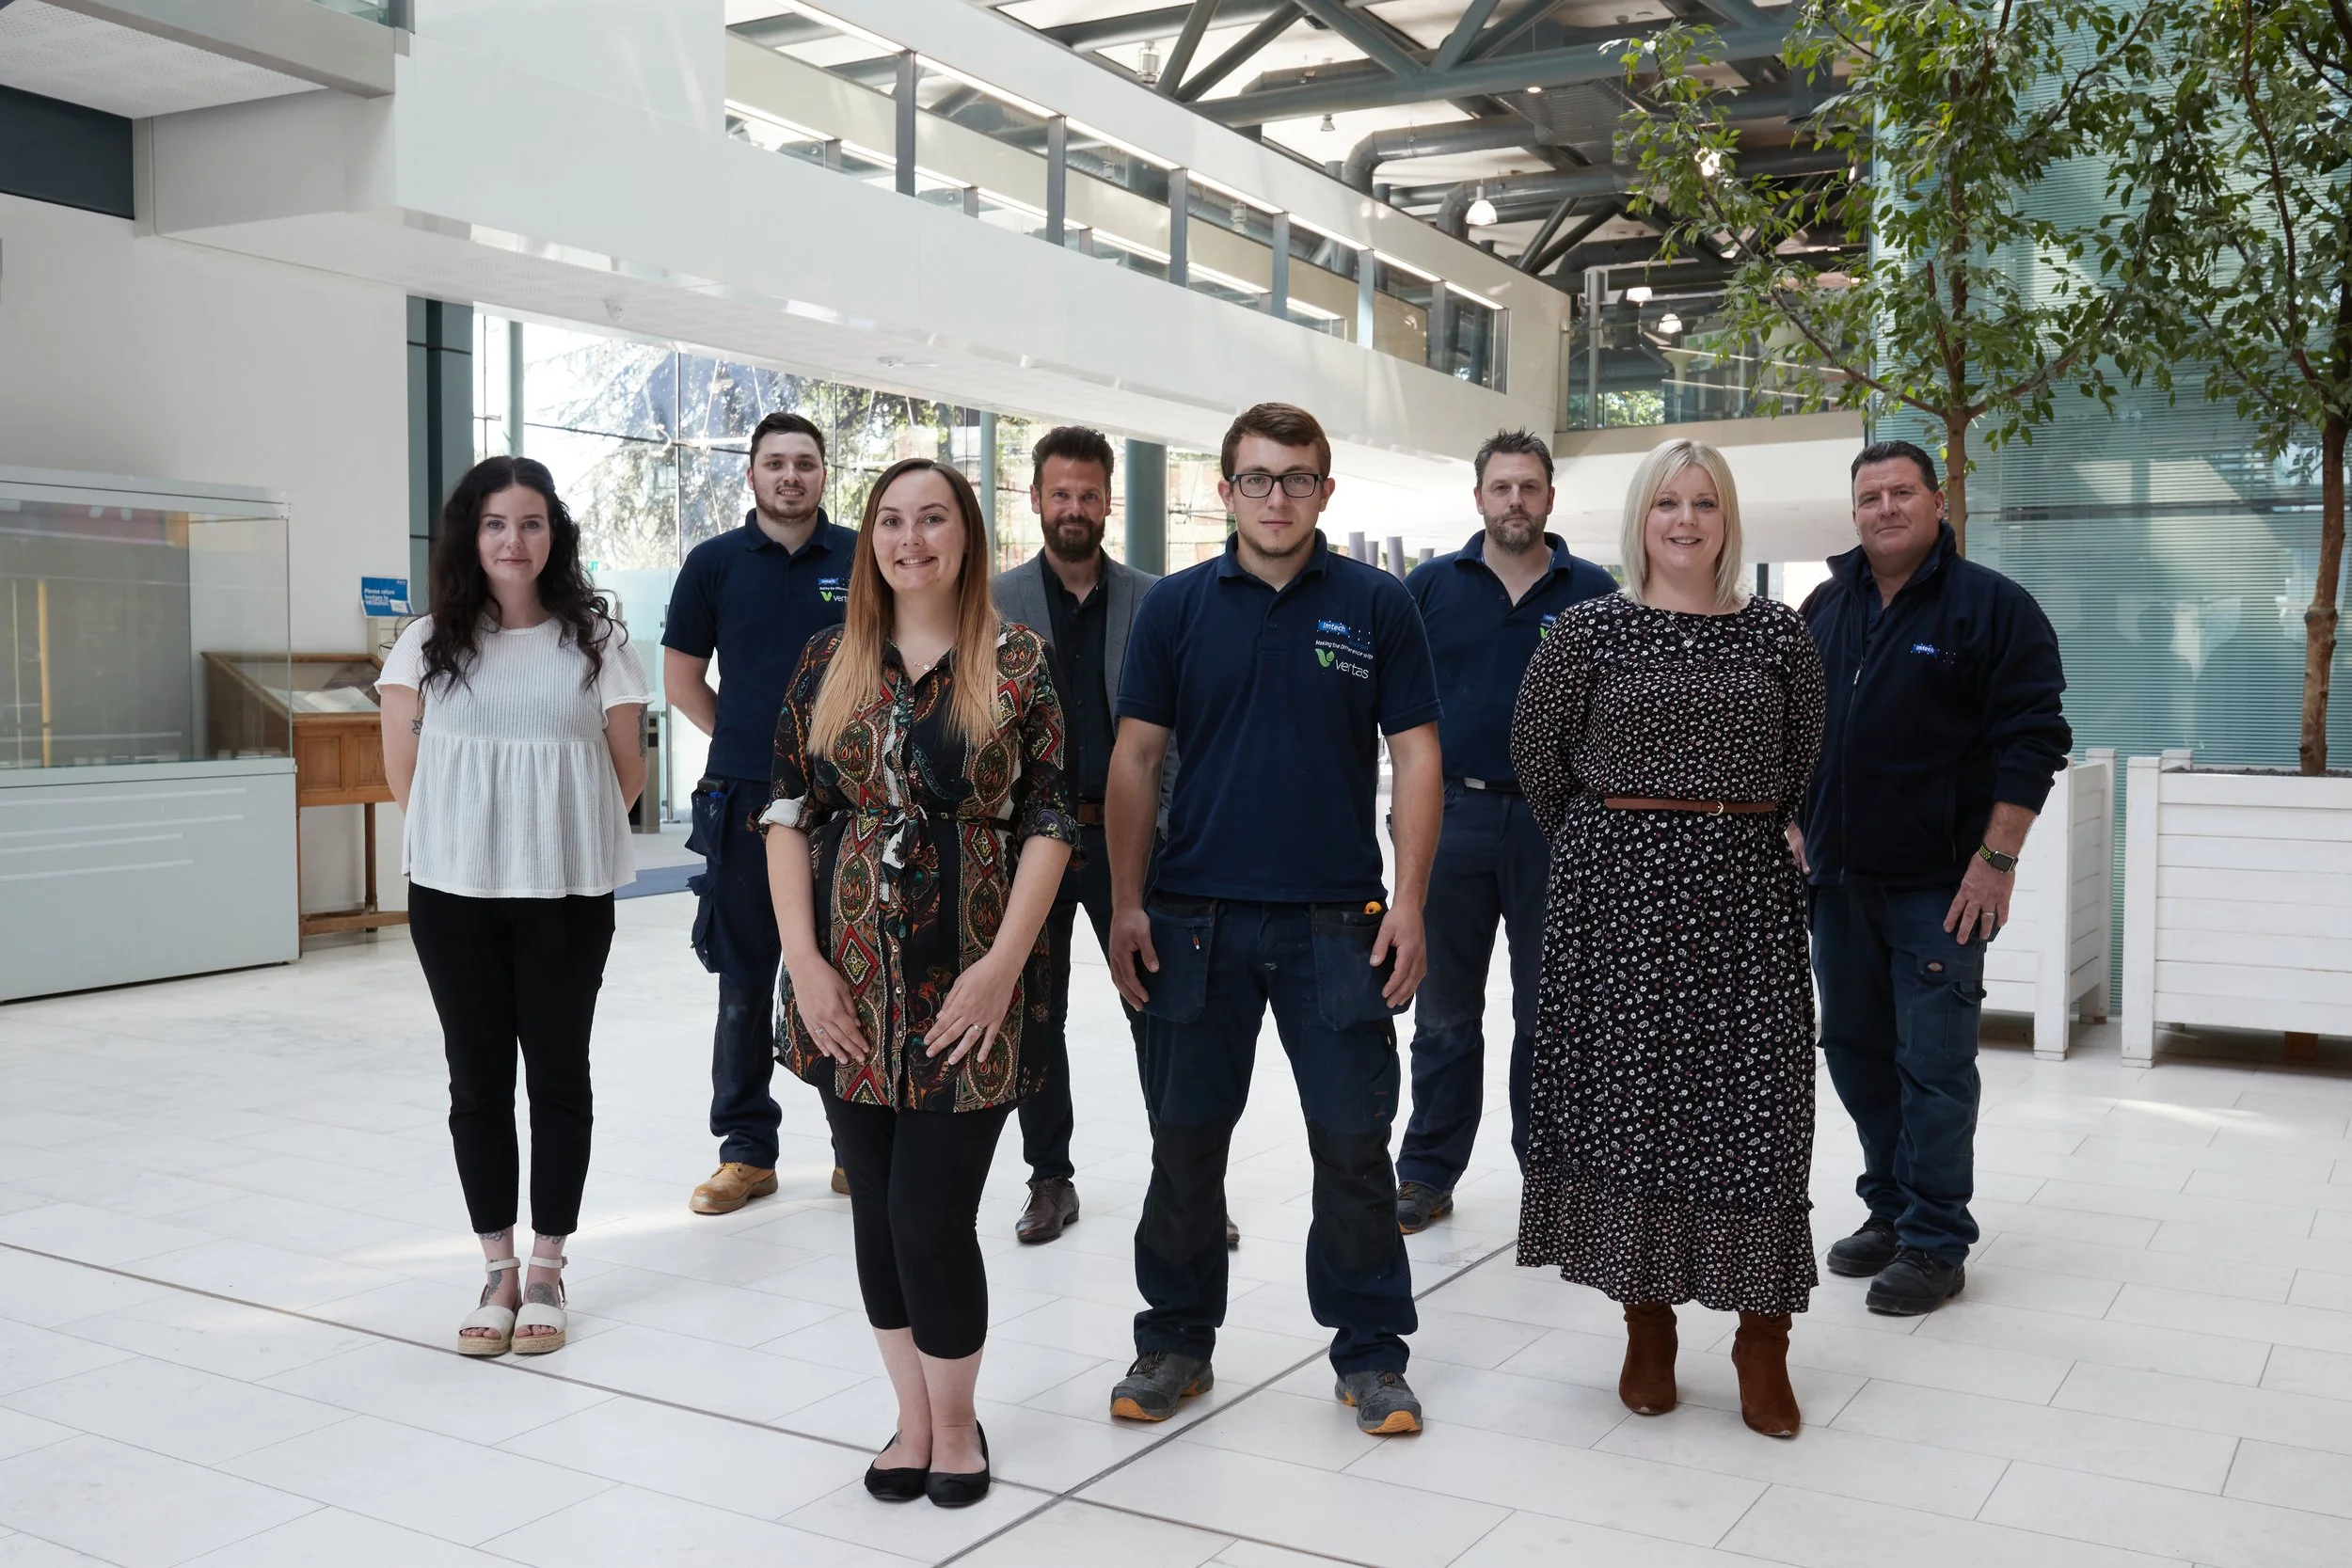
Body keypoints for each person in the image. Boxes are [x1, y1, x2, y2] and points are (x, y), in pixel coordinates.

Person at [1104, 403, 1442, 1437]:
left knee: (1352, 1149)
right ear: (1225, 491)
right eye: (1256, 478)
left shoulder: (1377, 605)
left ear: (1325, 491)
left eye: (1297, 478)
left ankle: (1371, 1353)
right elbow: (1132, 760)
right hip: (1193, 918)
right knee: (1185, 1148)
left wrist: (1413, 901)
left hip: (1336, 924)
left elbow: (1419, 756)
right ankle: (1172, 1339)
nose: (1277, 496)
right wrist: (1123, 901)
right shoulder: (1173, 608)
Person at [763, 457, 1077, 1509]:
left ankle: (955, 1422)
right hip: (843, 990)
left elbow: (1048, 822)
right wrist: (804, 963)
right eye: (891, 520)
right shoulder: (827, 660)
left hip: (967, 991)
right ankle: (910, 1415)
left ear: (966, 536)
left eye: (932, 518)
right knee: (876, 1215)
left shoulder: (1020, 660)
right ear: (870, 541)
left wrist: (1001, 970)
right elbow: (784, 812)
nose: (911, 539)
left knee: (929, 1212)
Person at [1510, 438, 1823, 1438]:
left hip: (1745, 905)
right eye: (1666, 503)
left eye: (1704, 503)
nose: (1685, 520)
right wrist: (1619, 845)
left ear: (1728, 519)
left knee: (1759, 1113)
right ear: (1640, 517)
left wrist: (1717, 831)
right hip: (1620, 911)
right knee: (1638, 1112)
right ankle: (1647, 1324)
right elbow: (1537, 757)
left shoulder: (1779, 633)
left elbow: (1804, 757)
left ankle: (1760, 1338)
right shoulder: (1586, 630)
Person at [377, 455, 649, 1358]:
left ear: (553, 535)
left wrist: (548, 830)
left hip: (565, 892)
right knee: (477, 1080)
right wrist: (474, 837)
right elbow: (403, 774)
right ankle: (495, 1265)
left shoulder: (597, 640)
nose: (514, 540)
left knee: (559, 1076)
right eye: (496, 523)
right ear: (471, 534)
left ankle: (547, 1264)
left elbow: (629, 769)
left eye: (531, 522)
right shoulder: (423, 642)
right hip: (453, 892)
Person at [1796, 439, 2070, 1316]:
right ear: (1854, 512)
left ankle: (1937, 1239)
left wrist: (1996, 860)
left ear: (1938, 499)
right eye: (1869, 496)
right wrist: (1792, 821)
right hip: (1837, 885)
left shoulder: (1992, 608)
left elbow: (2036, 741)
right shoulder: (1824, 607)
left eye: (1902, 492)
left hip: (1940, 892)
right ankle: (1892, 1205)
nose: (1885, 508)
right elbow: (1794, 731)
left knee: (1935, 1065)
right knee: (1858, 1054)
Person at [1394, 430, 1616, 1234]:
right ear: (1479, 497)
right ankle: (1425, 1173)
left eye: (1529, 487)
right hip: (1450, 815)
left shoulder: (1592, 593)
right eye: (1501, 487)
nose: (1515, 500)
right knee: (1444, 1010)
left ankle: (1552, 1175)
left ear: (1551, 498)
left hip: (1558, 821)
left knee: (1550, 1010)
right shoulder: (1427, 588)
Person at [663, 411, 856, 1216]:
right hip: (744, 799)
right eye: (774, 462)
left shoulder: (859, 556)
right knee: (745, 978)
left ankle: (857, 1145)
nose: (790, 476)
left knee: (853, 970)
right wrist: (757, 748)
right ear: (751, 474)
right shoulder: (712, 565)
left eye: (804, 463)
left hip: (849, 801)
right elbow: (682, 683)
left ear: (822, 474)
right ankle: (746, 1150)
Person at [989, 426, 1164, 1244]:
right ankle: (1049, 1179)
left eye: (1089, 494)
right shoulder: (991, 603)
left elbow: (1180, 730)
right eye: (1059, 493)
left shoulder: (1154, 599)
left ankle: (1185, 1180)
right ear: (1035, 499)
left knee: (1159, 1011)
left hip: (1133, 840)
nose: (1074, 508)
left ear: (1107, 502)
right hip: (1033, 846)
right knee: (1036, 1014)